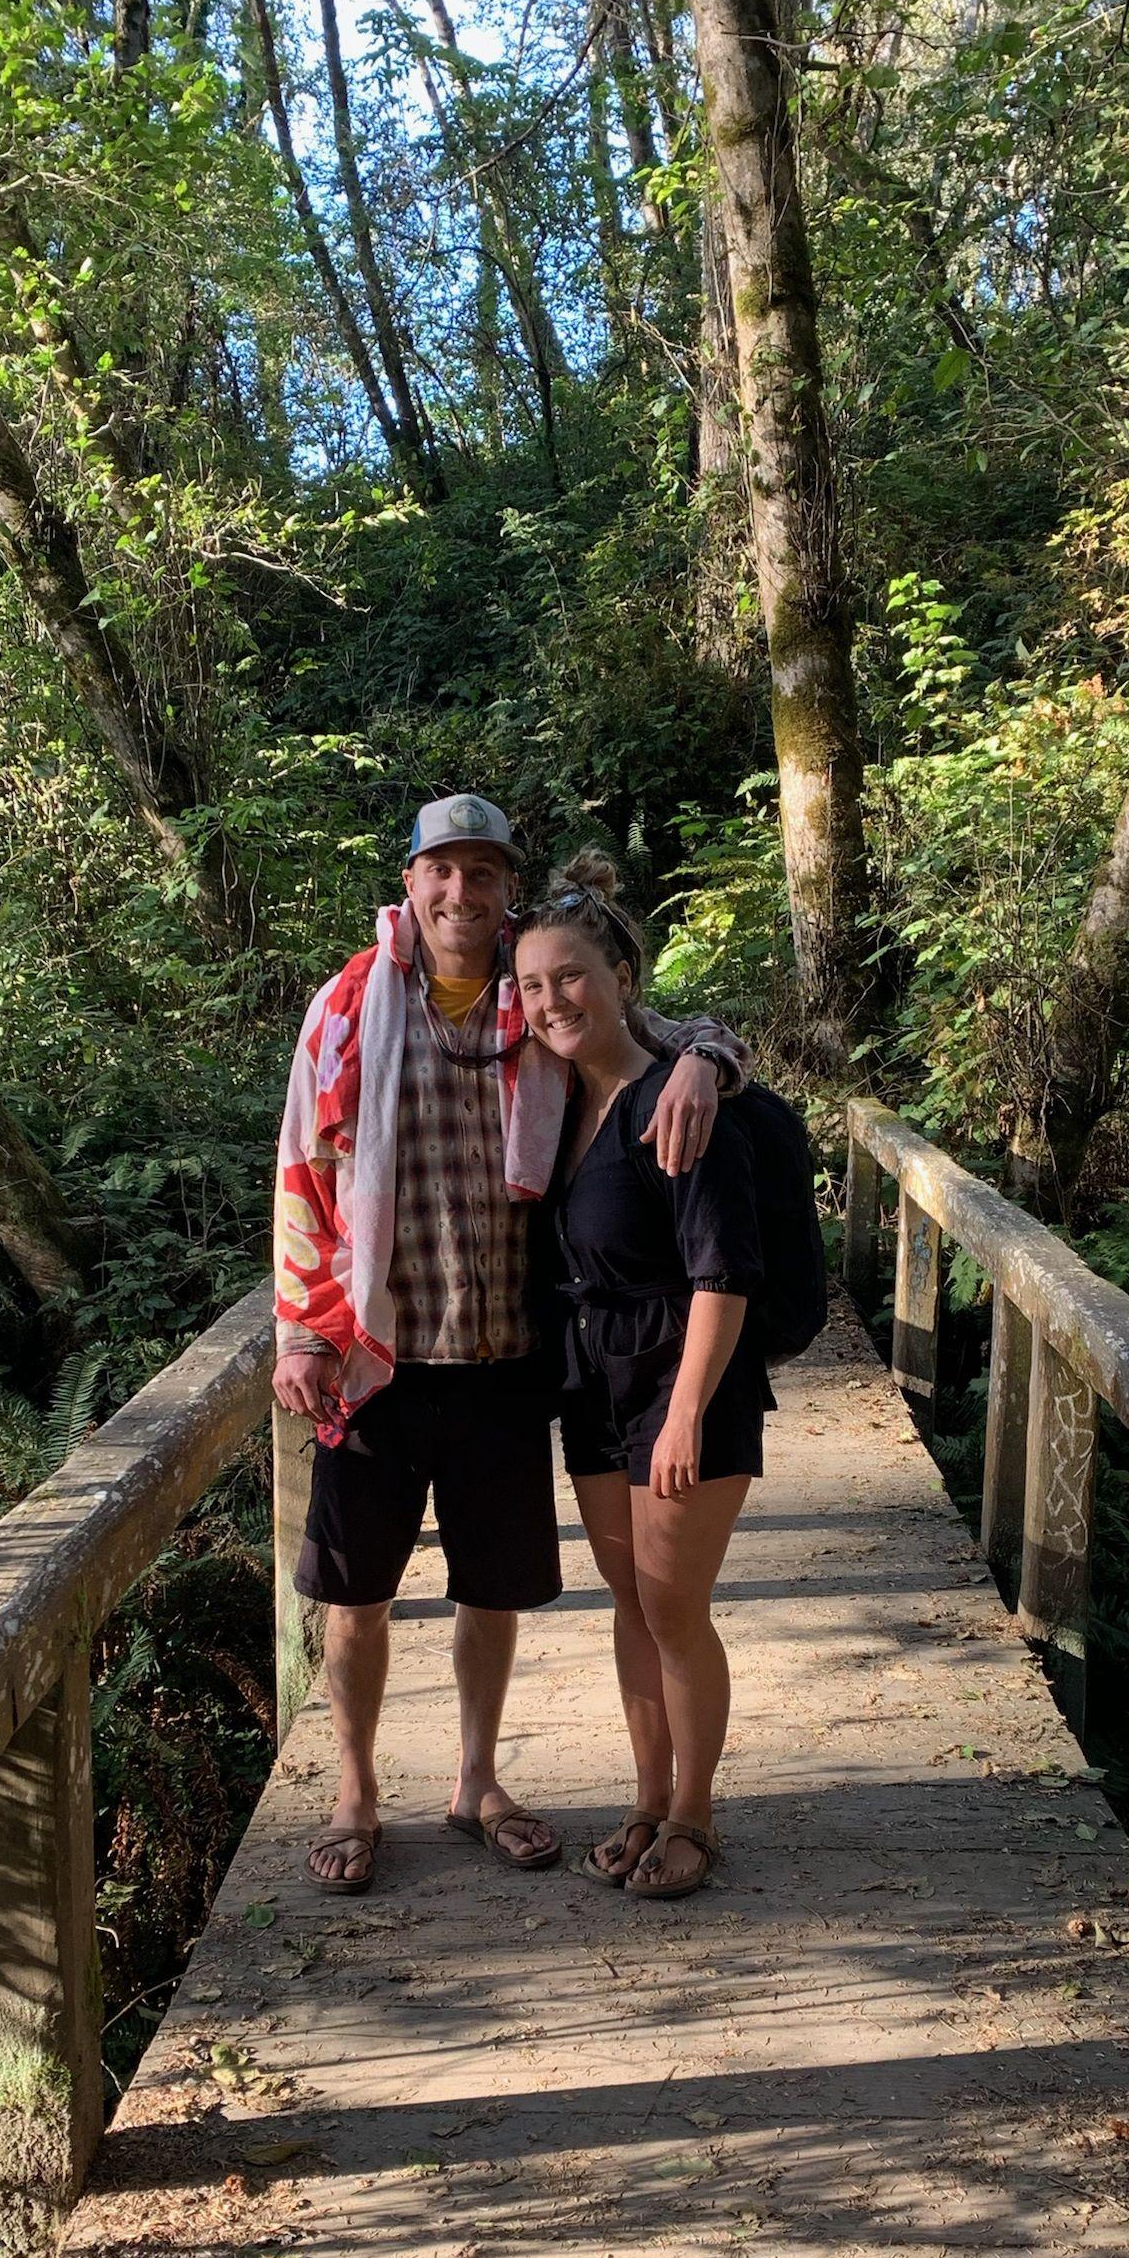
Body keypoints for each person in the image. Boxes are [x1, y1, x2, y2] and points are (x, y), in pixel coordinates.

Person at [272, 797, 744, 1893]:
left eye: (482, 873)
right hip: (377, 1357)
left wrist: (708, 1062)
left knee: (489, 1590)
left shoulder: (536, 997)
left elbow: (668, 1037)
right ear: (410, 880)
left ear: (506, 891)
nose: (460, 893)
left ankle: (477, 1782)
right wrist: (299, 1330)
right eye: (441, 870)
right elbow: (301, 1167)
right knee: (355, 1595)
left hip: (506, 1356)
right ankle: (355, 1790)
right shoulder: (348, 1004)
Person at [511, 854, 769, 1904]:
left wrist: (686, 1417)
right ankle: (648, 1798)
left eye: (571, 976)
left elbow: (723, 1273)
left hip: (682, 1380)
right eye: (532, 985)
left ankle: (694, 1816)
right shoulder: (551, 1105)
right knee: (630, 1602)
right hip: (594, 1385)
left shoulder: (679, 1101)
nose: (553, 1002)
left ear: (621, 977)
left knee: (673, 1606)